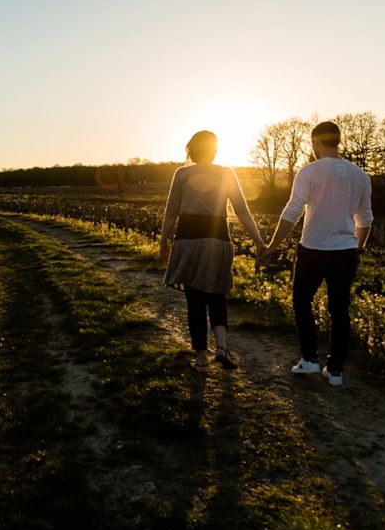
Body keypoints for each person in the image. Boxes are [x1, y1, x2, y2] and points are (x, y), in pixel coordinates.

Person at [260, 121, 373, 387]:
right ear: (338, 140)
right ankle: (335, 370)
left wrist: (274, 245)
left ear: (315, 142)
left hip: (312, 250)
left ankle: (310, 359)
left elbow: (292, 211)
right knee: (339, 310)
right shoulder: (360, 175)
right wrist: (358, 247)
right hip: (345, 251)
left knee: (301, 302)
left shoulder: (309, 172)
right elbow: (365, 217)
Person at [160, 130, 265, 373]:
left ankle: (201, 359)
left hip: (188, 240)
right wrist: (259, 240)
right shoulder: (226, 173)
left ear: (191, 150)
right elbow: (243, 211)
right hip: (218, 239)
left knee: (194, 299)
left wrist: (163, 240)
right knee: (217, 294)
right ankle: (222, 348)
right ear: (214, 150)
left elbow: (171, 212)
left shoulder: (182, 174)